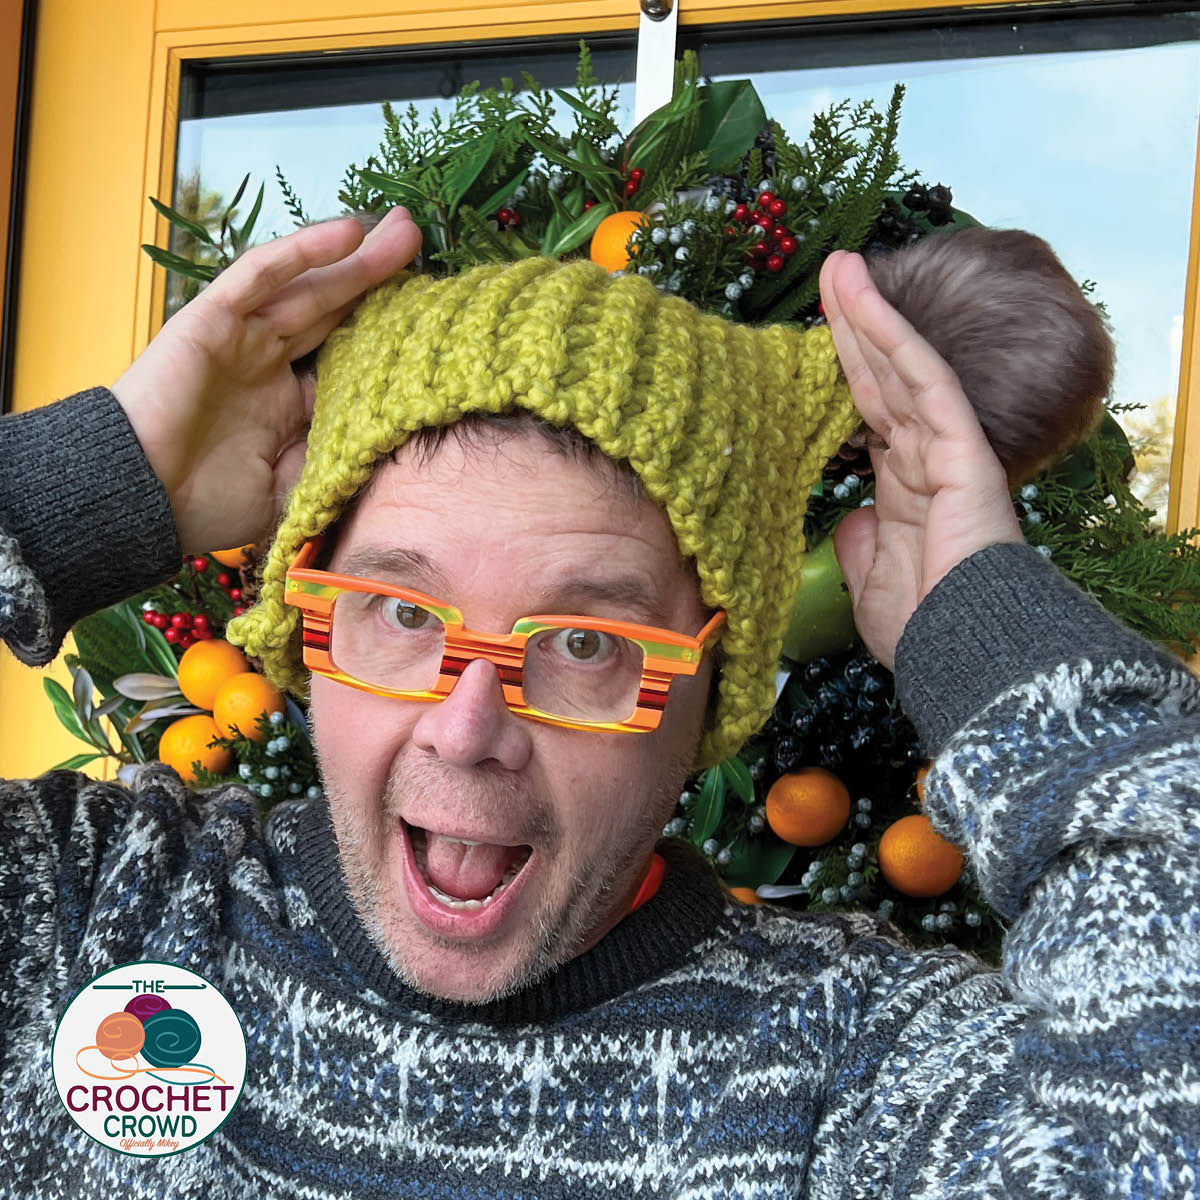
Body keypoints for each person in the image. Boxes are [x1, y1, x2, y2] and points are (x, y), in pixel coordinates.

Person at [1, 205, 1195, 1197]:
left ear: (710, 689)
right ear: (308, 627)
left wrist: (981, 631)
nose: (468, 730)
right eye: (406, 615)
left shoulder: (846, 1073)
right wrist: (88, 483)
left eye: (582, 641)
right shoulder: (99, 912)